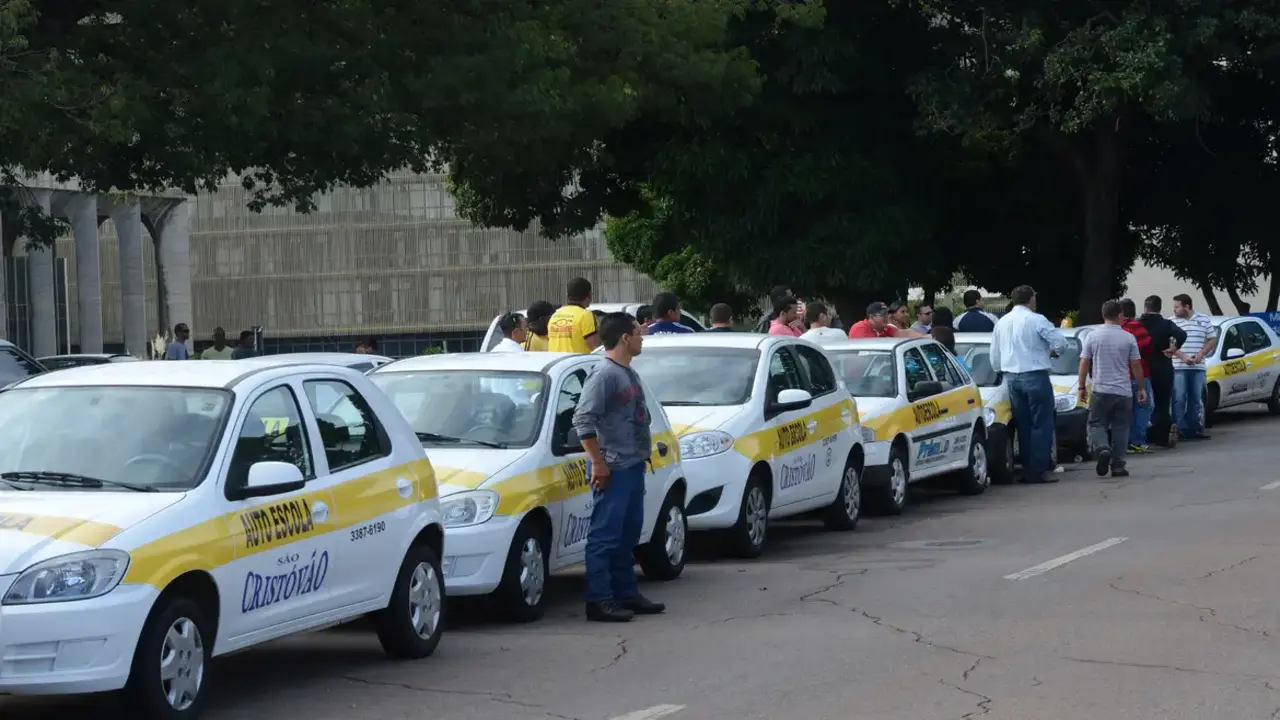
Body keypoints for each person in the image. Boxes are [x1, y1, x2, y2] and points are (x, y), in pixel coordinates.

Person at [572, 312, 664, 623]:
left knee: (628, 534)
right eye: (638, 332)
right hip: (613, 467)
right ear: (625, 337)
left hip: (633, 464)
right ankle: (599, 600)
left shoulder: (628, 373)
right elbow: (583, 420)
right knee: (605, 536)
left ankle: (626, 593)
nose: (642, 337)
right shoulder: (605, 375)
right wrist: (598, 462)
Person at [989, 285, 1066, 484]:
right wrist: (1052, 352)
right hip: (1035, 375)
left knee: (1024, 424)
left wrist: (1002, 369)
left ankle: (1027, 468)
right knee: (1041, 423)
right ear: (1031, 299)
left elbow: (994, 356)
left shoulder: (1002, 322)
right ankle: (1038, 470)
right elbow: (1061, 344)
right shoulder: (1037, 319)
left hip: (1011, 377)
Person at [1079, 301, 1146, 478]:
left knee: (1096, 423)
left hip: (1101, 389)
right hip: (1123, 391)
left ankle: (1102, 449)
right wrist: (1141, 388)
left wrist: (1081, 386)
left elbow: (1084, 362)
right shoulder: (1128, 337)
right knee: (1121, 428)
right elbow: (1136, 365)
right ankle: (1118, 466)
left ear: (1103, 315)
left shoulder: (1092, 337)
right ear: (1119, 315)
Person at [1138, 295, 1186, 447]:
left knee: (1141, 402)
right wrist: (1174, 348)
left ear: (1145, 308)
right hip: (1162, 365)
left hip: (1142, 366)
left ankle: (1141, 434)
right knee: (1163, 402)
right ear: (1159, 308)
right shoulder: (1166, 324)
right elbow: (1182, 334)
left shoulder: (1138, 323)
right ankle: (1162, 435)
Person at [1170, 293, 1216, 440]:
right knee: (1179, 397)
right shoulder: (1172, 322)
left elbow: (1212, 339)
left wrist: (1201, 354)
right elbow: (1169, 345)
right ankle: (1179, 429)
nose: (1174, 310)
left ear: (1187, 306)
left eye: (1177, 307)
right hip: (1178, 366)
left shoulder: (1203, 319)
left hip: (1198, 366)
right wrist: (1183, 356)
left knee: (1196, 398)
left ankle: (1192, 429)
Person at [1118, 299, 1155, 453]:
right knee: (1144, 406)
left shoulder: (1116, 329)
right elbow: (1148, 348)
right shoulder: (1136, 327)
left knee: (1126, 410)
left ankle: (1123, 442)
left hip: (1120, 375)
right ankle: (1137, 441)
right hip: (1140, 373)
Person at [548, 278, 600, 353]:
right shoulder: (586, 315)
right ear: (589, 294)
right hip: (578, 363)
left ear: (568, 295)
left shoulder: (555, 315)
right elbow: (595, 347)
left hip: (556, 363)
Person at [848, 302, 926, 339]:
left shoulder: (885, 327)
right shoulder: (860, 328)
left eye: (886, 313)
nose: (886, 317)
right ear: (871, 317)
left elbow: (906, 334)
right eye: (883, 314)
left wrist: (926, 337)